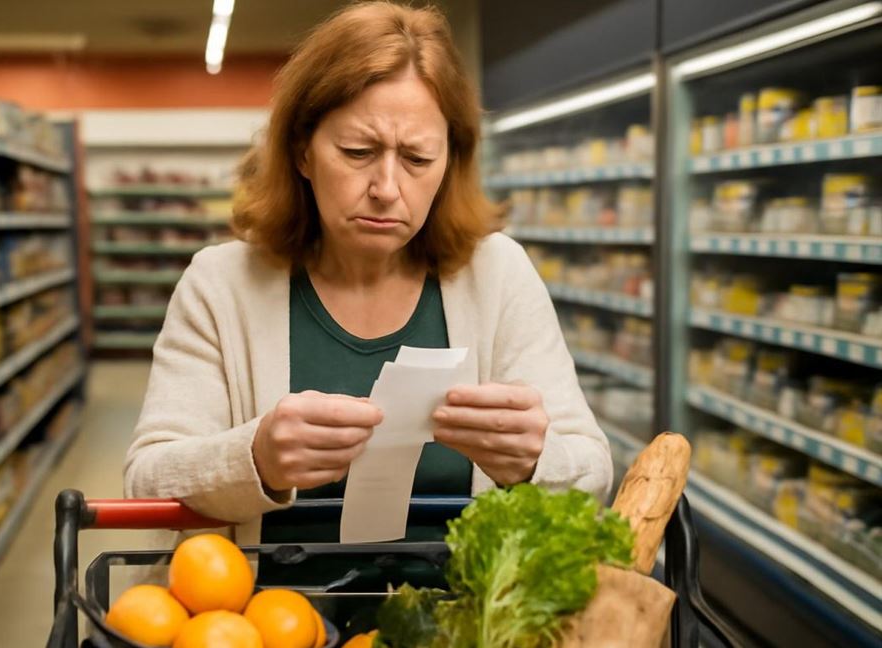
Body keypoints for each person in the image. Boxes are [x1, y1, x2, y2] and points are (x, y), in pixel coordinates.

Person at [124, 1, 611, 554]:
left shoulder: (497, 275)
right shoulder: (222, 285)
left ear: (450, 160)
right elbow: (148, 477)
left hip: (465, 620)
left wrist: (535, 460)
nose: (386, 186)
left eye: (417, 159)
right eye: (358, 152)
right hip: (262, 622)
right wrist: (255, 457)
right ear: (303, 150)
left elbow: (592, 472)